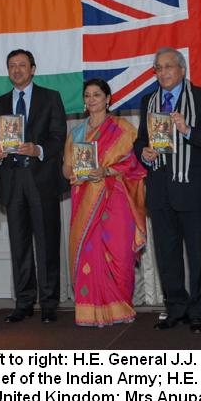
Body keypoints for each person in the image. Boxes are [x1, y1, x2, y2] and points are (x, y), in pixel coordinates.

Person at [133, 47, 201, 333]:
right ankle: (175, 308)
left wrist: (187, 130)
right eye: (158, 68)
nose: (163, 72)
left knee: (198, 254)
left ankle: (199, 311)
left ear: (182, 70)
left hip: (193, 190)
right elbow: (140, 141)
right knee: (167, 255)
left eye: (168, 67)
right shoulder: (149, 101)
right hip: (160, 191)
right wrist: (143, 153)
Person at [0, 49, 67, 323]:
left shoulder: (50, 98)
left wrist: (38, 149)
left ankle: (48, 304)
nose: (17, 70)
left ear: (33, 69)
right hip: (12, 182)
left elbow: (59, 138)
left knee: (47, 244)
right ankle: (23, 302)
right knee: (19, 245)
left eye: (22, 65)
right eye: (12, 66)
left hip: (42, 180)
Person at [62, 79, 147, 326]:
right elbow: (66, 168)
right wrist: (74, 173)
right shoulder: (76, 133)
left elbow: (136, 165)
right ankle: (90, 312)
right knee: (90, 253)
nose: (91, 100)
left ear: (108, 98)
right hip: (85, 201)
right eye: (87, 95)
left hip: (116, 200)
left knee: (120, 255)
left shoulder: (123, 129)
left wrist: (106, 172)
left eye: (97, 95)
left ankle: (121, 308)